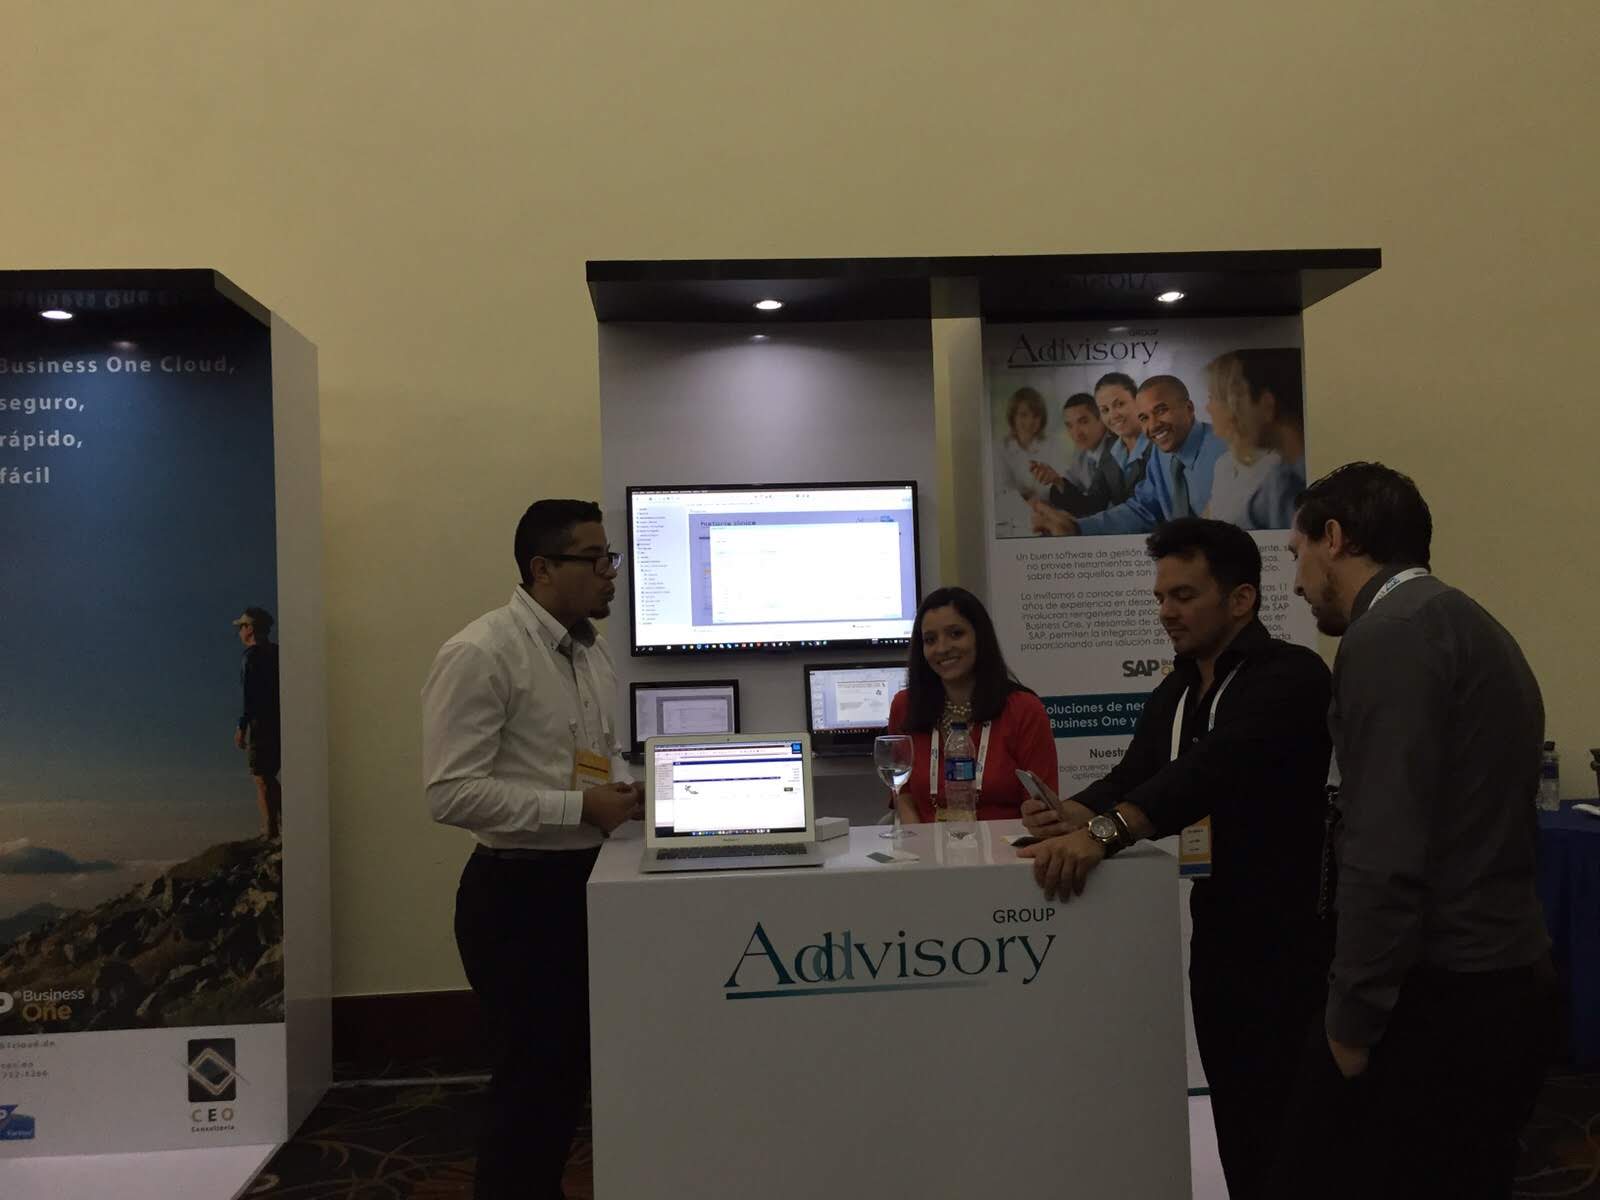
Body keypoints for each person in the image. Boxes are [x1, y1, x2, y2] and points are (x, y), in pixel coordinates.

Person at [1016, 519, 1332, 1200]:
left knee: (1292, 1136)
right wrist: (1067, 813)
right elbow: (1138, 774)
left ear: (1241, 599)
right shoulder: (1181, 687)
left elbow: (1207, 773)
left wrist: (1101, 834)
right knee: (1239, 1123)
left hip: (1292, 945)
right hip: (1219, 938)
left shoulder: (1291, 678)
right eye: (1161, 597)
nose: (1166, 612)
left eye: (1184, 596)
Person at [1272, 463, 1555, 1199]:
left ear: (1334, 538)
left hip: (1435, 1001)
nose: (1298, 583)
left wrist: (1350, 1025)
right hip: (1498, 980)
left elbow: (1384, 851)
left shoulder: (1388, 637)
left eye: (1296, 552)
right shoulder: (1468, 623)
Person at [421, 499, 643, 1200]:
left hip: (585, 883)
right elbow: (450, 793)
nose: (613, 574)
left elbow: (587, 762)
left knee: (566, 1080)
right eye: (597, 558)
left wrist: (636, 790)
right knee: (532, 1087)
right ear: (543, 569)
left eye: (612, 557)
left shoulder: (590, 651)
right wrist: (582, 806)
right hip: (516, 898)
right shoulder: (481, 653)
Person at [886, 586, 1056, 825]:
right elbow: (901, 791)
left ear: (979, 637)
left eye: (956, 634)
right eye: (930, 639)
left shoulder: (1024, 710)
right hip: (927, 853)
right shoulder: (905, 706)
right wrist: (917, 844)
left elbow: (1043, 806)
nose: (942, 648)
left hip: (1006, 853)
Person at [1029, 375, 1226, 537]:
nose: (1154, 424)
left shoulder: (1226, 447)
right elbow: (1142, 509)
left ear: (1189, 409)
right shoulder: (1159, 454)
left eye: (1161, 410)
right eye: (1144, 418)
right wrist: (1078, 527)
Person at [1203, 348, 1307, 529]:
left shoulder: (1287, 479)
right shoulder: (1281, 478)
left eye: (1238, 396)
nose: (1235, 410)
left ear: (1267, 404)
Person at [232, 606, 281, 841]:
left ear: (250, 629)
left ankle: (270, 829)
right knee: (270, 774)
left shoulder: (250, 656)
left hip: (260, 722)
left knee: (261, 776)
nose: (240, 631)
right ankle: (282, 823)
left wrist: (242, 726)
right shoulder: (279, 653)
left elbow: (248, 695)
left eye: (242, 626)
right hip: (280, 720)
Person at [1028, 393, 1118, 517]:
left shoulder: (1117, 450)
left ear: (1102, 419)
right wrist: (1055, 481)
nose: (1076, 433)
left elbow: (1096, 506)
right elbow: (1072, 486)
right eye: (1069, 426)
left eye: (1083, 422)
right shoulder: (1081, 452)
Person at [993, 385, 1065, 505]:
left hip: (1048, 509)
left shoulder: (1052, 445)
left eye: (1036, 416)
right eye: (1023, 415)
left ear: (1042, 419)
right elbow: (1002, 489)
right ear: (1013, 417)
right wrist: (1028, 496)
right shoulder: (1000, 448)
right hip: (1012, 512)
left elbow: (1058, 486)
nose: (1030, 421)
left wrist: (1028, 494)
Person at [1093, 370, 1152, 505]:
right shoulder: (1110, 450)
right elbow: (1094, 502)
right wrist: (1059, 483)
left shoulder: (1159, 446)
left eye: (1119, 404)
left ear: (1138, 402)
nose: (1113, 415)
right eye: (1105, 410)